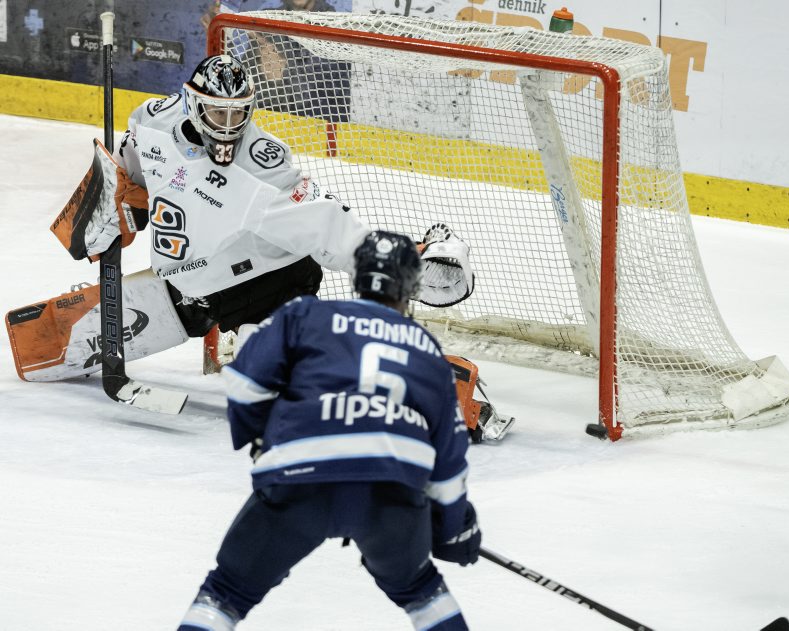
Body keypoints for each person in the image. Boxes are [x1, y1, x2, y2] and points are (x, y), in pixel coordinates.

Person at [11, 54, 473, 383]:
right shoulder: (152, 120)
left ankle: (430, 379)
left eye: (239, 113)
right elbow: (125, 168)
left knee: (296, 376)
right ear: (192, 103)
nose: (229, 124)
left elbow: (320, 221)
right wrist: (109, 209)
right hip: (191, 283)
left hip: (271, 279)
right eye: (218, 111)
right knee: (42, 349)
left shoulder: (262, 161)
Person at [178, 230, 480, 631]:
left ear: (358, 274)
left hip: (300, 478)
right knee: (423, 592)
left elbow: (245, 383)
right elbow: (449, 461)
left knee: (227, 591)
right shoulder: (426, 350)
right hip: (391, 492)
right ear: (411, 286)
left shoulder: (304, 314)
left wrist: (260, 439)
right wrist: (454, 525)